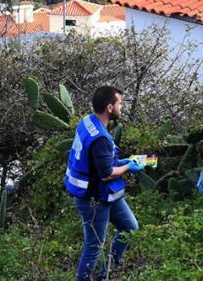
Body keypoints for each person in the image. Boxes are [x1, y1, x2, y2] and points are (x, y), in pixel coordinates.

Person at [65, 86, 144, 281]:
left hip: (105, 194)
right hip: (94, 199)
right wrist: (128, 167)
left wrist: (119, 162)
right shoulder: (100, 138)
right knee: (94, 247)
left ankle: (107, 275)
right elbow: (107, 174)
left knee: (130, 228)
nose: (121, 107)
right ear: (110, 107)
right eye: (120, 103)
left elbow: (97, 160)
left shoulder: (88, 122)